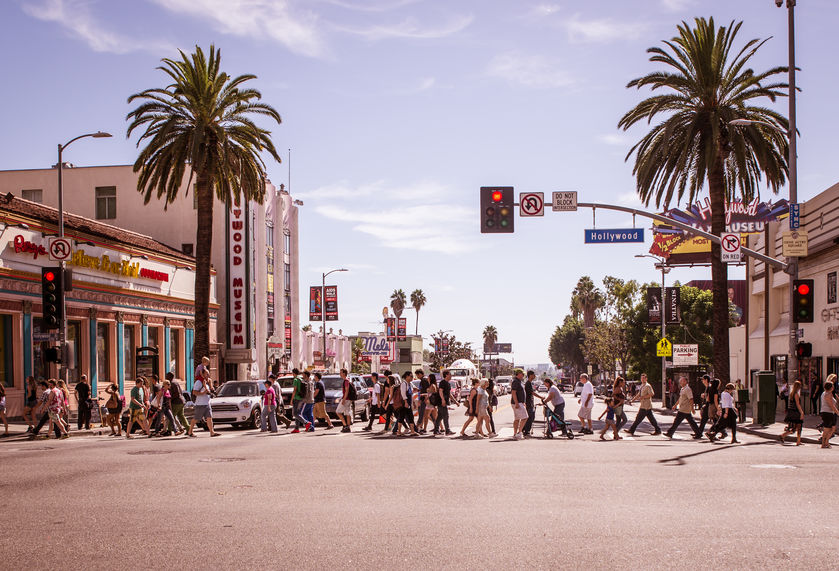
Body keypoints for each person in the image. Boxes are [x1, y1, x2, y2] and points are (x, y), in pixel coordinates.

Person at [187, 372, 220, 437]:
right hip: (200, 404)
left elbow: (210, 391)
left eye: (208, 374)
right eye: (206, 374)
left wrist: (211, 389)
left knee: (209, 418)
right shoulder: (199, 382)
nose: (208, 375)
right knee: (196, 418)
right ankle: (190, 431)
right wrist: (203, 393)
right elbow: (194, 392)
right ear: (202, 374)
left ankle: (212, 432)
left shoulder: (207, 382)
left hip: (207, 403)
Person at [780, 380, 804, 446]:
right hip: (796, 412)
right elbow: (798, 404)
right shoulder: (796, 394)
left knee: (794, 427)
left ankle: (783, 435)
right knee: (798, 426)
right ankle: (798, 441)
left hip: (792, 411)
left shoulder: (792, 393)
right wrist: (801, 412)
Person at [819, 376, 839, 449]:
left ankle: (826, 441)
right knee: (827, 429)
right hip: (827, 413)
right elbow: (831, 405)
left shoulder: (828, 393)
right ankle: (823, 443)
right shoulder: (827, 394)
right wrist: (837, 412)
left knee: (833, 428)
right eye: (832, 386)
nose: (833, 387)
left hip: (830, 413)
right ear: (830, 387)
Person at [433, 370, 454, 436]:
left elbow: (449, 393)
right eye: (450, 374)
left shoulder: (447, 383)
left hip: (444, 401)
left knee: (440, 416)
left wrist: (455, 401)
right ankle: (447, 430)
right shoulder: (443, 382)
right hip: (441, 402)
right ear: (446, 375)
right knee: (445, 416)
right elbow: (440, 391)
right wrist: (443, 400)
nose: (451, 376)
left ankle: (436, 430)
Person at [511, 370, 528, 440]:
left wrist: (523, 402)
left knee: (517, 419)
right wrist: (516, 403)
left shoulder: (519, 381)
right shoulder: (515, 381)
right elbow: (513, 392)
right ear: (518, 374)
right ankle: (519, 432)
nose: (523, 375)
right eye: (522, 374)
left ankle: (515, 433)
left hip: (520, 402)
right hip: (517, 402)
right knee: (525, 417)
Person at [336, 368, 353, 433]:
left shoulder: (346, 381)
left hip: (346, 399)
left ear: (344, 373)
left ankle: (345, 425)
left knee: (338, 412)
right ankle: (348, 427)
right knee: (347, 413)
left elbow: (347, 390)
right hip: (348, 399)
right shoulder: (347, 380)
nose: (340, 374)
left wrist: (344, 399)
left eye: (340, 373)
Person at [290, 368, 306, 433]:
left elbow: (295, 390)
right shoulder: (301, 379)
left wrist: (291, 399)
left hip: (296, 398)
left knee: (294, 413)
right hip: (301, 398)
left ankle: (306, 423)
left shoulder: (296, 380)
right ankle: (297, 428)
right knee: (297, 413)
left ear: (294, 373)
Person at [522, 371, 537, 437]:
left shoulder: (530, 383)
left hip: (530, 403)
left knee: (531, 417)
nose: (534, 376)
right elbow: (532, 393)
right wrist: (541, 397)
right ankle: (526, 431)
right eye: (533, 375)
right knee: (530, 417)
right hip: (528, 403)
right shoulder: (528, 383)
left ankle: (524, 429)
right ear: (530, 375)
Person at [415, 369, 429, 434]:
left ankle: (417, 428)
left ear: (420, 374)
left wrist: (421, 400)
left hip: (424, 400)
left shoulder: (424, 380)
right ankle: (420, 427)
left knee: (421, 414)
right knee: (427, 415)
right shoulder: (424, 380)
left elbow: (425, 391)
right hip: (424, 399)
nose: (417, 376)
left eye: (417, 375)